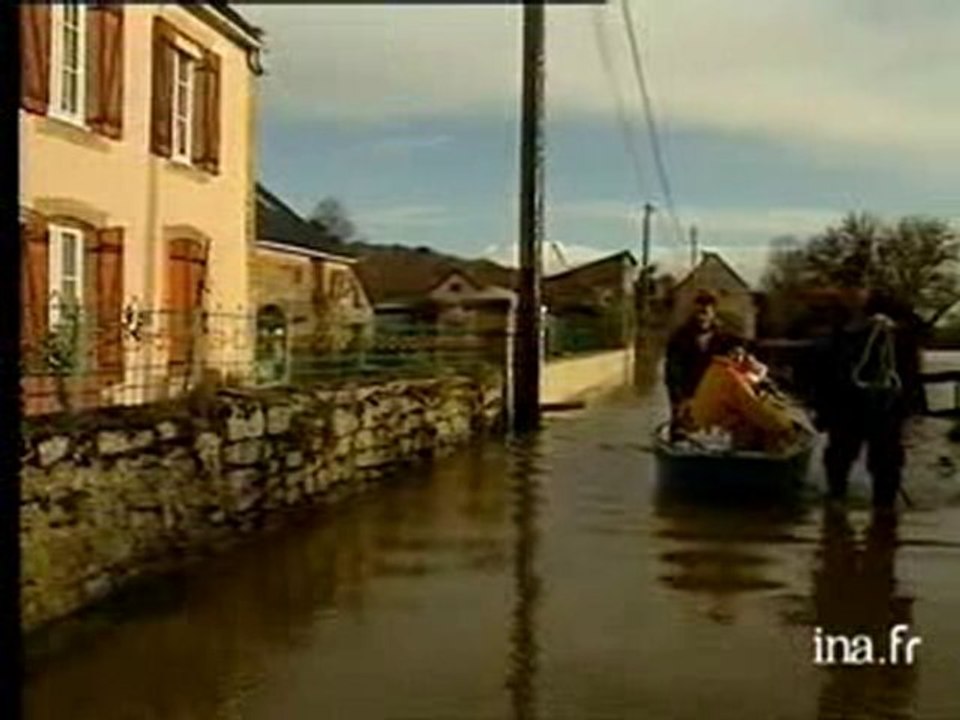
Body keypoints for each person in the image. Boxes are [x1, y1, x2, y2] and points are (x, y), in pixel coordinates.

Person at [811, 290, 922, 509]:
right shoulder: (834, 328)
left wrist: (897, 328)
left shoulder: (893, 326)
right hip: (844, 406)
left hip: (884, 407)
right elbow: (822, 371)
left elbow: (912, 359)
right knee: (839, 459)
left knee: (886, 463)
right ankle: (836, 508)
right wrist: (821, 409)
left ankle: (884, 513)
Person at [687, 336, 798, 451]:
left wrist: (756, 371)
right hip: (722, 436)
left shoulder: (714, 369)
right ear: (734, 353)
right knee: (775, 434)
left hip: (707, 429)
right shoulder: (731, 377)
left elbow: (749, 381)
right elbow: (755, 408)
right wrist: (785, 424)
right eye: (742, 354)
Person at [665, 291, 730, 429]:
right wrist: (679, 400)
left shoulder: (724, 338)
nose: (702, 317)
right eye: (699, 312)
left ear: (713, 313)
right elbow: (672, 371)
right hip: (687, 395)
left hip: (713, 397)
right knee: (684, 431)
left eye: (706, 312)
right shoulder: (680, 337)